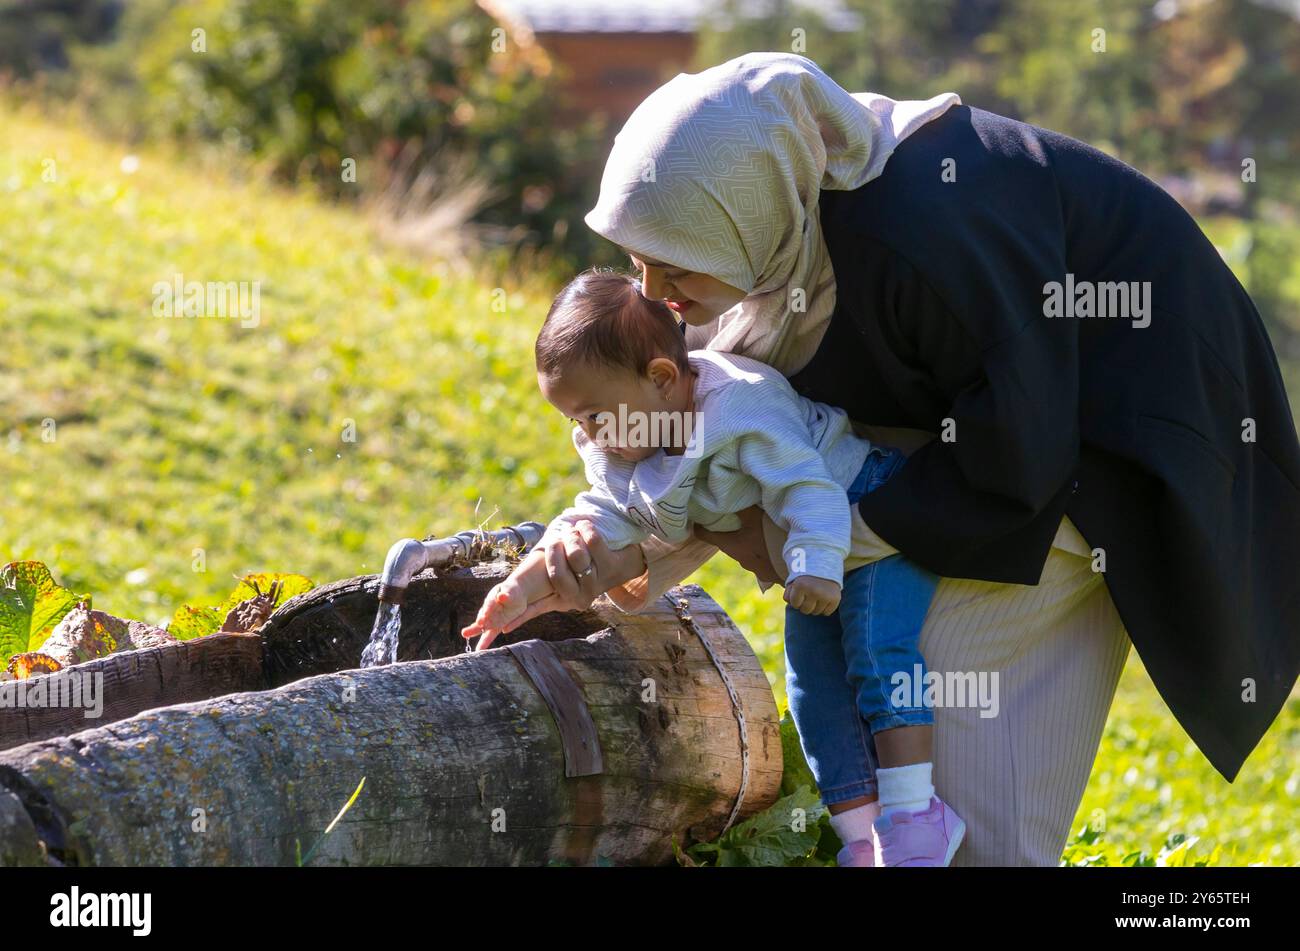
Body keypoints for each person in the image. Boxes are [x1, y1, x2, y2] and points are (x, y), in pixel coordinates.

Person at [488, 53, 1300, 865]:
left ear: (743, 211)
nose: (654, 292)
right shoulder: (781, 224)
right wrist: (597, 558)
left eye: (673, 262)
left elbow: (1018, 448)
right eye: (638, 261)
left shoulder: (925, 228)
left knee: (936, 683)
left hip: (1120, 422)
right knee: (874, 650)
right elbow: (715, 440)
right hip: (1002, 414)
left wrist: (828, 538)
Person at [463, 269, 963, 865]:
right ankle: (864, 839)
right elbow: (600, 517)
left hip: (865, 513)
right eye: (575, 421)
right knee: (813, 688)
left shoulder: (740, 405)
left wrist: (815, 562)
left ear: (662, 379)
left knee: (879, 654)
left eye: (594, 415)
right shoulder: (625, 442)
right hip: (806, 557)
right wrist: (521, 587)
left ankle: (916, 817)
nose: (587, 435)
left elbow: (808, 485)